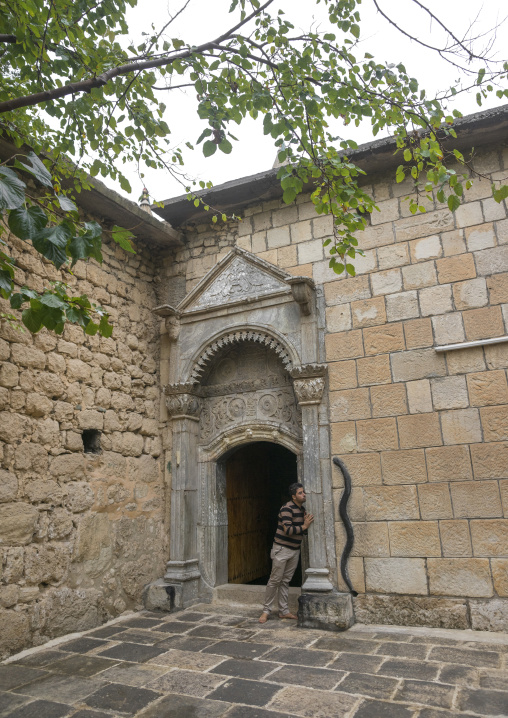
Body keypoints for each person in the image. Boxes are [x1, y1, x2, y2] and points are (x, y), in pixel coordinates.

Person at [259, 482, 314, 623]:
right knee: (275, 580)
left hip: (294, 550)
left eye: (304, 492)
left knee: (285, 581)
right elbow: (288, 531)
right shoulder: (286, 509)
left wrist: (305, 525)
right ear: (294, 496)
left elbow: (304, 532)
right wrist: (304, 525)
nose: (304, 494)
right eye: (300, 493)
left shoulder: (302, 510)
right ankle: (266, 611)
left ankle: (284, 611)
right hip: (282, 549)